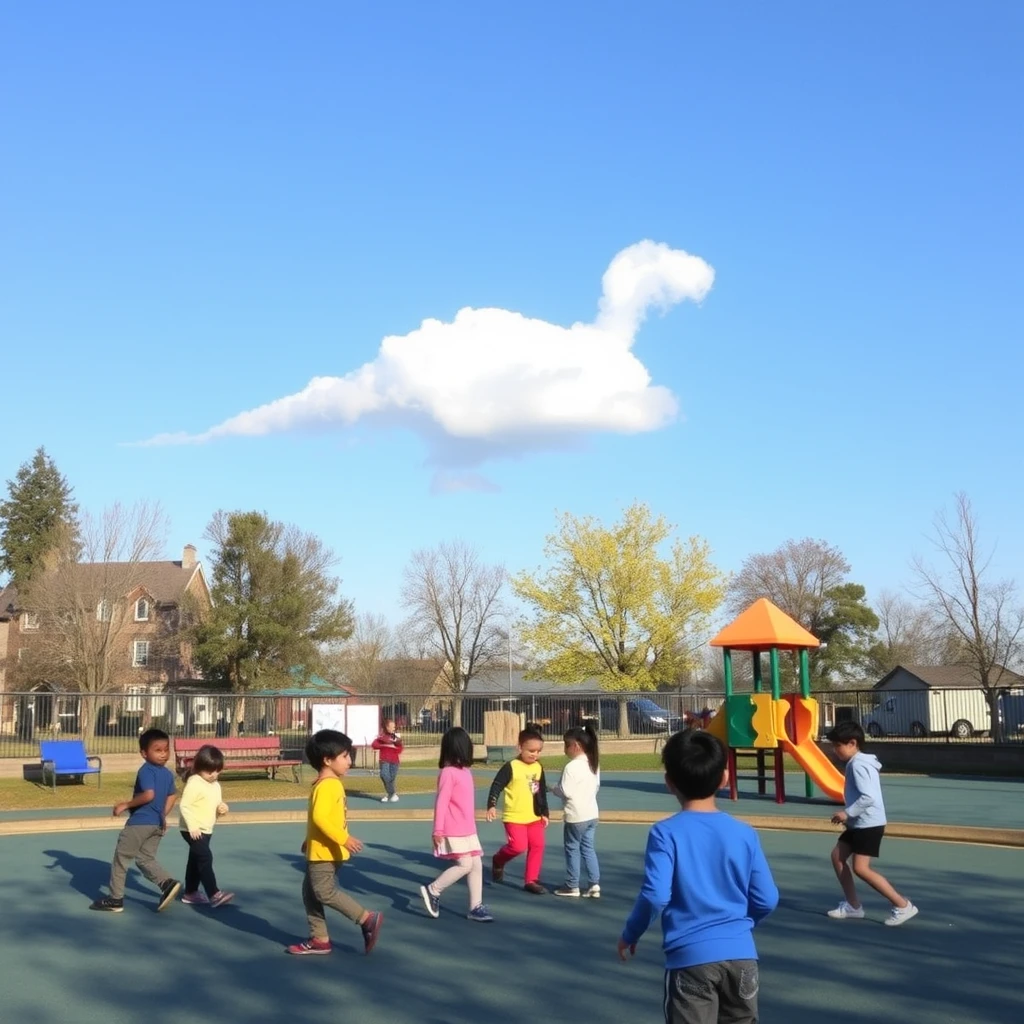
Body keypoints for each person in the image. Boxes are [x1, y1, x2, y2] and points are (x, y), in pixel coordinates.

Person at [618, 729, 779, 1024]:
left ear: (669, 783)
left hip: (691, 958)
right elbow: (767, 898)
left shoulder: (666, 833)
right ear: (725, 778)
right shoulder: (744, 833)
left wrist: (631, 933)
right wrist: (739, 927)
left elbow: (655, 895)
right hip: (742, 955)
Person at [287, 729, 384, 956]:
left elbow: (322, 818)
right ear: (327, 760)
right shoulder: (328, 784)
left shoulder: (328, 785)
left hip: (327, 852)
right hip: (322, 850)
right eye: (345, 756)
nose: (349, 761)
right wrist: (309, 840)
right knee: (310, 892)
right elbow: (324, 818)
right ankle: (319, 938)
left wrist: (343, 839)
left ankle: (367, 918)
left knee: (323, 892)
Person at [825, 721, 918, 926]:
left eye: (837, 745)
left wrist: (846, 813)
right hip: (859, 823)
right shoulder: (857, 763)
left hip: (869, 824)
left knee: (861, 869)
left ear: (852, 743)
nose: (834, 750)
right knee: (837, 857)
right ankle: (853, 906)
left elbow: (869, 797)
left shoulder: (859, 765)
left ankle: (903, 905)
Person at [89, 728, 181, 913]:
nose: (163, 754)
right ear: (144, 753)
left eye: (166, 749)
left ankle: (115, 900)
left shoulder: (146, 770)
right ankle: (167, 883)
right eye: (158, 750)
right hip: (156, 824)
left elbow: (148, 795)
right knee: (145, 858)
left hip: (139, 823)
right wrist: (162, 815)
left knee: (121, 860)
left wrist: (126, 804)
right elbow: (172, 796)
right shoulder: (167, 774)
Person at [419, 726, 493, 923]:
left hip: (468, 829)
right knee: (465, 864)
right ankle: (433, 889)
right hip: (453, 828)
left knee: (476, 864)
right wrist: (438, 830)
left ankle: (475, 907)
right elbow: (441, 802)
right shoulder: (448, 773)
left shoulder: (465, 772)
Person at [486, 725, 549, 894]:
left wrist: (544, 812)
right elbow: (497, 785)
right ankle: (498, 860)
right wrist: (491, 805)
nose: (535, 754)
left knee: (538, 845)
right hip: (514, 817)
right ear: (520, 747)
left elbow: (540, 791)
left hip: (534, 817)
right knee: (518, 847)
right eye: (531, 750)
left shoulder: (538, 768)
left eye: (538, 751)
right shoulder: (511, 766)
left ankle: (531, 880)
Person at [178, 744, 234, 908]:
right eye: (210, 772)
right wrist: (193, 826)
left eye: (217, 770)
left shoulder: (216, 785)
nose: (214, 775)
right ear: (199, 768)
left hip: (206, 829)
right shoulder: (194, 782)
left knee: (195, 860)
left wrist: (222, 808)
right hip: (192, 829)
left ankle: (190, 892)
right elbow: (185, 806)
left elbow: (215, 804)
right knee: (205, 857)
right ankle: (214, 894)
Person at [552, 723, 601, 898]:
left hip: (576, 815)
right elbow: (596, 786)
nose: (565, 749)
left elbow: (565, 791)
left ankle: (572, 885)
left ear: (576, 746)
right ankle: (594, 883)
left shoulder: (571, 767)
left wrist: (552, 789)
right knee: (588, 848)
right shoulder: (593, 763)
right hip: (592, 814)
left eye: (566, 745)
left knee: (572, 848)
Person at [371, 719, 404, 803]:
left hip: (394, 761)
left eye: (394, 726)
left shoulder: (395, 737)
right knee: (384, 775)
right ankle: (392, 793)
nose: (394, 728)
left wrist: (395, 745)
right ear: (387, 727)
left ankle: (390, 795)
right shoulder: (381, 736)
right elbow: (374, 744)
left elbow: (400, 749)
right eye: (392, 726)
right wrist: (384, 744)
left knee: (391, 779)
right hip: (384, 760)